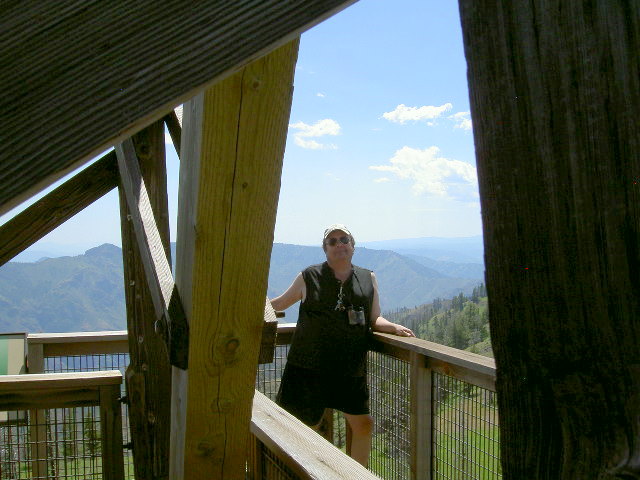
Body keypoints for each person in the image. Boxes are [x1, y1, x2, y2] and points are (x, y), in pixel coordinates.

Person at [270, 224, 415, 466]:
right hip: (308, 367)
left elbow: (374, 318)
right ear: (325, 249)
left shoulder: (368, 278)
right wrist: (250, 306)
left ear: (353, 246)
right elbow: (282, 303)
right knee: (305, 430)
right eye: (333, 241)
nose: (339, 244)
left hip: (348, 368)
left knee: (363, 424)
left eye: (344, 239)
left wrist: (392, 327)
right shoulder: (309, 276)